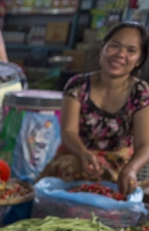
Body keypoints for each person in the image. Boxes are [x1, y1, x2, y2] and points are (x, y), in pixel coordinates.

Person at [39, 22, 149, 195]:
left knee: (118, 190)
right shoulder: (78, 85)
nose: (120, 54)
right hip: (76, 156)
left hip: (116, 165)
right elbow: (68, 132)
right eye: (114, 46)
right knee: (68, 171)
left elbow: (145, 144)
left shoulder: (141, 93)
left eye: (131, 50)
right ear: (102, 49)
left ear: (139, 60)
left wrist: (131, 169)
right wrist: (83, 154)